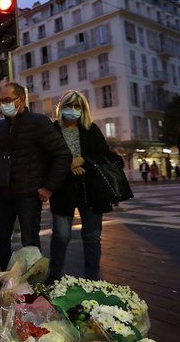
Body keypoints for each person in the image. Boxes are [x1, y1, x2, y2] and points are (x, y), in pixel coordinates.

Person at [0, 82, 72, 271]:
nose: (4, 105)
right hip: (3, 192)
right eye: (1, 101)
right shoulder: (1, 126)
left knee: (30, 241)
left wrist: (49, 187)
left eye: (7, 100)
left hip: (28, 193)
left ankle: (33, 285)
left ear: (21, 100)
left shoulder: (38, 122)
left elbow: (62, 154)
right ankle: (6, 280)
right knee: (0, 239)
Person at [47, 91, 122, 282]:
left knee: (92, 237)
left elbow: (106, 156)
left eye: (76, 106)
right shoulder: (53, 130)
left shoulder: (91, 129)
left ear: (83, 109)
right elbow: (47, 157)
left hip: (91, 189)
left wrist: (83, 160)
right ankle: (54, 276)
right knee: (61, 236)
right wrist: (69, 164)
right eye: (68, 106)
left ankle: (92, 279)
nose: (72, 110)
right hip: (63, 190)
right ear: (61, 108)